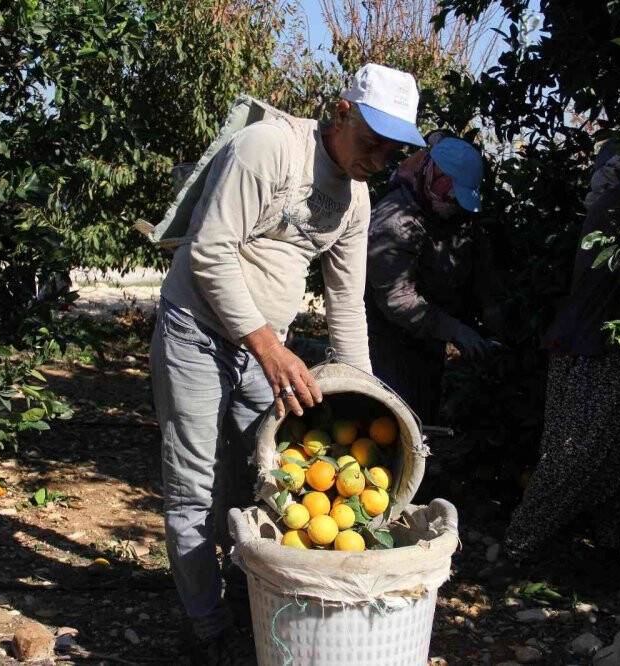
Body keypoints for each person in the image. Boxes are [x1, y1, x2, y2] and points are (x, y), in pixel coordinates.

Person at [149, 63, 427, 665]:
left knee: (267, 479)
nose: (378, 158)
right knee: (196, 483)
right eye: (371, 141)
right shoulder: (270, 148)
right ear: (342, 112)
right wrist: (269, 347)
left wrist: (361, 392)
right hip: (197, 330)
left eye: (392, 150)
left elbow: (346, 304)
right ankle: (207, 629)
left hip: (263, 348)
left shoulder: (356, 199)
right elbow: (209, 250)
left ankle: (257, 600)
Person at [503, 142, 620, 558]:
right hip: (597, 349)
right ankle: (524, 543)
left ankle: (592, 538)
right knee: (575, 452)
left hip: (604, 346)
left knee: (613, 450)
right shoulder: (616, 212)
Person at [364, 132, 503, 424]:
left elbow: (477, 254)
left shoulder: (451, 210)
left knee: (422, 412)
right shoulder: (394, 222)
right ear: (433, 178)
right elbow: (397, 298)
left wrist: (490, 307)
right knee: (392, 418)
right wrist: (455, 330)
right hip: (390, 343)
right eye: (452, 197)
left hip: (429, 338)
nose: (455, 205)